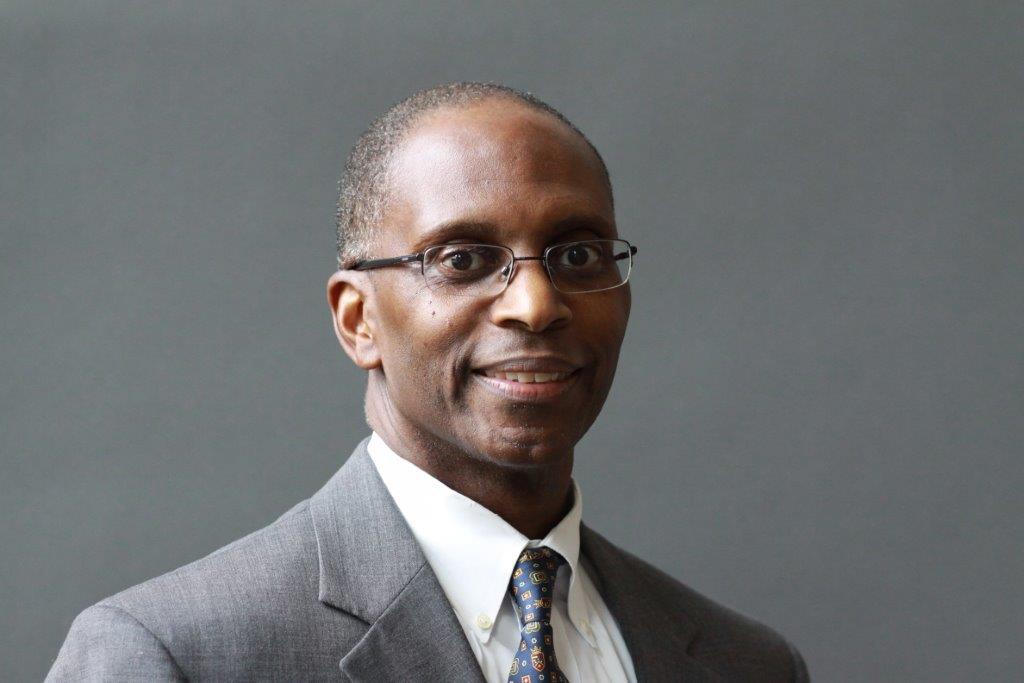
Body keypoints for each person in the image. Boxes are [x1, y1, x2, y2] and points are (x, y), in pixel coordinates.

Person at [47, 82, 809, 682]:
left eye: (578, 255)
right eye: (462, 259)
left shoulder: (746, 664)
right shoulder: (173, 655)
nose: (536, 304)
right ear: (358, 320)